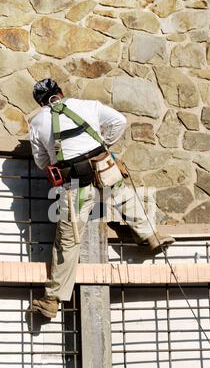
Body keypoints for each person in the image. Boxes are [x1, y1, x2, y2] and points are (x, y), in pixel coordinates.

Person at [29, 78, 175, 319]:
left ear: (41, 102)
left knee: (67, 240)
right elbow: (120, 121)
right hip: (104, 168)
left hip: (75, 185)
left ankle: (52, 299)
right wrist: (103, 144)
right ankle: (150, 235)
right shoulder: (88, 105)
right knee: (124, 196)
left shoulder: (38, 122)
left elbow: (41, 161)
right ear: (61, 93)